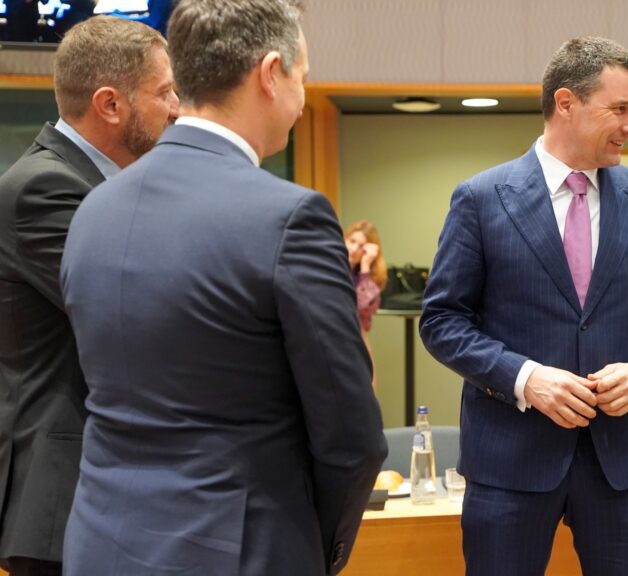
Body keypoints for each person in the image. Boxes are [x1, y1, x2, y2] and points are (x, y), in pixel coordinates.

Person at [59, 1, 386, 575]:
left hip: (100, 541)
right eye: (303, 77)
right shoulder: (290, 218)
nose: (303, 98)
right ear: (270, 73)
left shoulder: (93, 209)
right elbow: (351, 437)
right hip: (238, 549)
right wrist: (316, 548)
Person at [420, 36, 628, 576]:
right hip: (510, 461)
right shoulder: (480, 199)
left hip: (623, 464)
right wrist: (525, 379)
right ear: (566, 103)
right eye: (620, 109)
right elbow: (442, 320)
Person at [0, 16, 178, 576]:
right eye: (165, 92)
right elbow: (141, 314)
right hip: (65, 498)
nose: (177, 109)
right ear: (110, 104)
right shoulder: (45, 187)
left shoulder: (103, 185)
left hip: (106, 493)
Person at [344, 220, 387, 391]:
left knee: (366, 393)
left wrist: (365, 267)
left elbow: (363, 307)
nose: (354, 249)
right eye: (352, 241)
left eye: (362, 246)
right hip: (333, 338)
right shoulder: (331, 268)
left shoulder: (370, 276)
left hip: (358, 339)